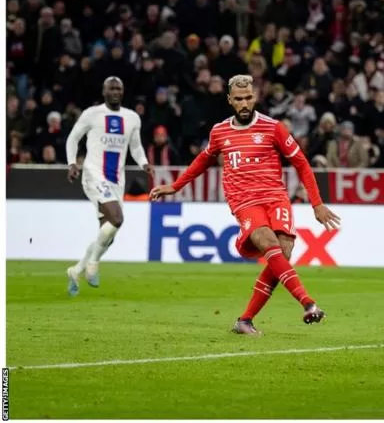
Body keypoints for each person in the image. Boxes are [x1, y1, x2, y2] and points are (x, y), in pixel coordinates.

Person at [149, 75, 340, 333]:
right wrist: (175, 186)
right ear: (230, 100)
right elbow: (203, 160)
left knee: (282, 253)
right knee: (269, 242)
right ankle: (308, 303)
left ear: (255, 96)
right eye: (238, 99)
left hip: (275, 197)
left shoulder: (273, 128)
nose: (244, 103)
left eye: (248, 97)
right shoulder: (219, 132)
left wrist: (317, 204)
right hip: (245, 200)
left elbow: (302, 164)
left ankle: (245, 320)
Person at [65, 76, 153, 296]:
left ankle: (76, 270)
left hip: (116, 179)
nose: (115, 91)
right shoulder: (92, 114)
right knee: (117, 218)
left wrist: (144, 163)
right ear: (103, 91)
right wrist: (72, 163)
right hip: (94, 174)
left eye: (119, 88)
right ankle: (93, 265)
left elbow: (136, 146)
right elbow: (73, 139)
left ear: (123, 92)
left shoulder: (132, 118)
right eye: (111, 88)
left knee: (108, 235)